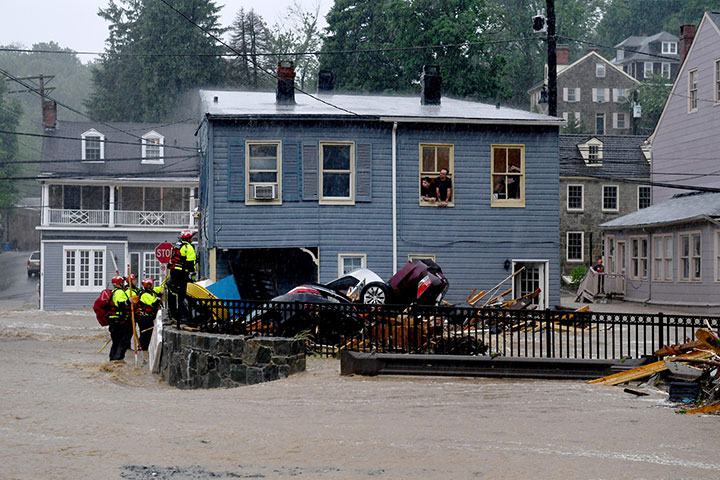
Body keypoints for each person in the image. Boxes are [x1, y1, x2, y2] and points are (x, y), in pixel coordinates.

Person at [167, 229, 197, 323]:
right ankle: (184, 316)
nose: (192, 239)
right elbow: (191, 264)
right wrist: (192, 278)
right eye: (191, 238)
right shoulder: (189, 248)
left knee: (173, 292)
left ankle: (174, 314)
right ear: (189, 239)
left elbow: (172, 260)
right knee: (183, 294)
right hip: (182, 274)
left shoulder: (176, 246)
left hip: (174, 273)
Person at [107, 275, 132, 361]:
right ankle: (117, 361)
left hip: (113, 321)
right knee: (122, 342)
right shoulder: (119, 292)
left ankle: (112, 361)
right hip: (118, 321)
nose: (123, 283)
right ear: (119, 283)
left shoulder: (113, 292)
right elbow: (120, 303)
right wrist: (129, 301)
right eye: (122, 282)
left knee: (115, 343)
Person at [137, 278, 161, 352]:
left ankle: (144, 348)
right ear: (148, 285)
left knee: (148, 335)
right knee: (145, 335)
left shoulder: (150, 292)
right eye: (152, 284)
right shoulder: (145, 295)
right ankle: (142, 349)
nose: (153, 286)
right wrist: (159, 295)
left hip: (147, 318)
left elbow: (159, 288)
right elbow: (154, 303)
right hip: (144, 318)